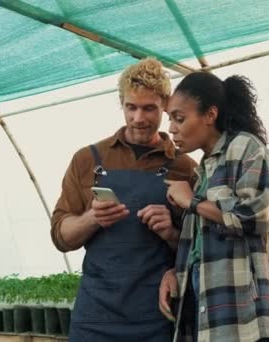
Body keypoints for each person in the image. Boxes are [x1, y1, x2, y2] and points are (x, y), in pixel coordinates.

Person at [51, 57, 197, 341]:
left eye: (149, 108)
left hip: (155, 313)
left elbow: (200, 249)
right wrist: (92, 218)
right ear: (121, 102)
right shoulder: (87, 160)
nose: (138, 118)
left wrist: (171, 232)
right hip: (95, 314)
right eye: (131, 107)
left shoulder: (185, 167)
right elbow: (61, 237)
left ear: (165, 105)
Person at [159, 72, 269, 341]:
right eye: (170, 119)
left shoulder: (244, 147)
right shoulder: (205, 168)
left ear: (210, 115)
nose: (171, 128)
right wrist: (175, 272)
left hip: (244, 321)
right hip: (213, 318)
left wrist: (191, 201)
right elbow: (205, 246)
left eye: (179, 118)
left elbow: (255, 217)